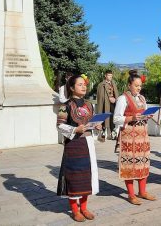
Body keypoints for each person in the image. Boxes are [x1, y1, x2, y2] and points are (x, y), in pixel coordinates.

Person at [56, 74, 102, 222]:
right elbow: (59, 125)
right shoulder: (65, 106)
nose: (84, 86)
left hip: (88, 144)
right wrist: (75, 130)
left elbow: (91, 122)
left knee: (86, 176)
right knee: (74, 177)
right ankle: (75, 210)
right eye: (80, 84)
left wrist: (97, 125)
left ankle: (84, 207)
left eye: (84, 84)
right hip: (74, 145)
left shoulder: (89, 105)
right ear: (71, 87)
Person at [113, 70, 156, 205]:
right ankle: (131, 195)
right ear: (129, 85)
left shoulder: (142, 98)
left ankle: (142, 191)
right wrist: (131, 117)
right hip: (128, 136)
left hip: (142, 135)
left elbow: (144, 112)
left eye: (140, 86)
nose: (139, 88)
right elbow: (116, 119)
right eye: (136, 86)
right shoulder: (122, 98)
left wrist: (147, 116)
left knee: (142, 163)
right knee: (130, 166)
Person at [97, 70, 119, 140]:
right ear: (105, 76)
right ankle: (103, 132)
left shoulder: (113, 83)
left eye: (111, 75)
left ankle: (112, 133)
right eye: (109, 75)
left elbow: (116, 93)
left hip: (113, 103)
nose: (110, 77)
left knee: (112, 118)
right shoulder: (101, 85)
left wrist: (115, 99)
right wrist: (108, 98)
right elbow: (100, 96)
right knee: (104, 117)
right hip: (104, 103)